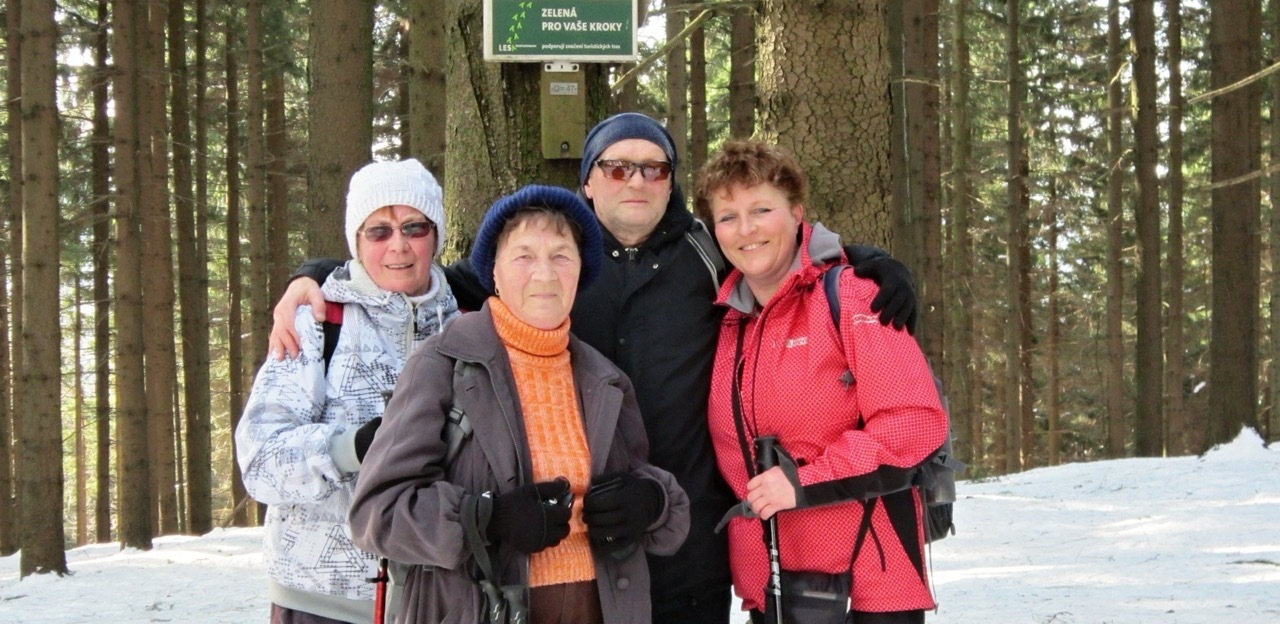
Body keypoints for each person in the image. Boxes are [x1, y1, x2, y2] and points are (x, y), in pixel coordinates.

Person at [268, 112, 919, 624]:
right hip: (559, 569)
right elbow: (410, 273)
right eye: (616, 167)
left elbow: (774, 247)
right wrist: (320, 276)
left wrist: (866, 262)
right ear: (587, 180)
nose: (636, 181)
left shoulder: (709, 255)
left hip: (688, 549)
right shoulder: (535, 272)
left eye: (654, 169)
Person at [348, 184, 690, 624]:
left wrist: (650, 501)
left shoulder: (605, 379)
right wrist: (486, 520)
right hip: (480, 609)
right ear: (494, 271)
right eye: (524, 256)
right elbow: (378, 512)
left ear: (581, 271)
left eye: (561, 256)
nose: (544, 274)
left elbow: (660, 503)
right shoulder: (441, 366)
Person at [693, 139, 948, 624]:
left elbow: (913, 424)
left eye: (761, 209)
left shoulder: (851, 297)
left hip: (869, 588)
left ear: (796, 213)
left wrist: (803, 481)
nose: (745, 229)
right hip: (775, 587)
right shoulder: (727, 322)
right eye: (728, 216)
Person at [236, 159, 459, 624]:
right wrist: (350, 448)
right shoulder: (317, 322)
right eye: (378, 231)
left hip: (436, 600)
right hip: (321, 603)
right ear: (356, 242)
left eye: (414, 227)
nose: (398, 245)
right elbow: (258, 460)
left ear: (436, 235)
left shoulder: (466, 326)